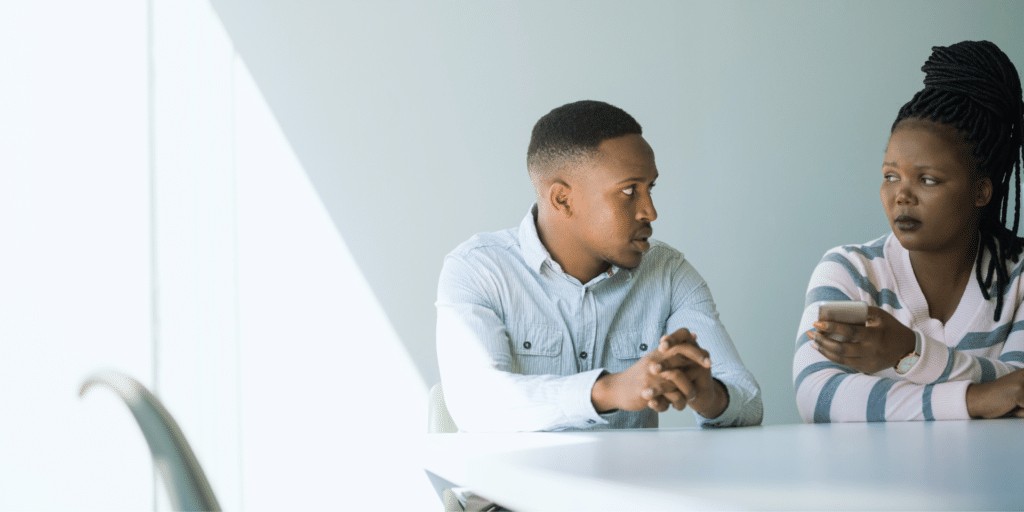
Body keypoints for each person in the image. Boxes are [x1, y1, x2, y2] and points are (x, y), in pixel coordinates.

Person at [436, 100, 762, 432]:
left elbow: (749, 402)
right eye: (628, 191)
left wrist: (708, 394)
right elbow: (475, 403)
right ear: (562, 198)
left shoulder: (668, 271)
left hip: (633, 484)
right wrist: (607, 390)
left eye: (650, 188)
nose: (649, 211)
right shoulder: (479, 269)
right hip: (512, 485)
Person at [793, 40, 1024, 422]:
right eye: (890, 176)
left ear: (982, 190)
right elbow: (817, 397)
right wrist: (974, 400)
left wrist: (907, 353)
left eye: (928, 180)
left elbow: (1016, 390)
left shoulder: (1016, 277)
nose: (901, 195)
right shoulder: (849, 271)